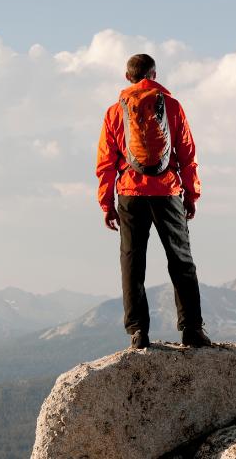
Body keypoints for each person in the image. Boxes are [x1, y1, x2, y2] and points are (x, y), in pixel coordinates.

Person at [95, 53, 211, 349]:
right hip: (168, 192)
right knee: (181, 261)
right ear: (154, 74)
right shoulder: (172, 106)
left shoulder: (113, 112)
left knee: (132, 262)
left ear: (127, 77)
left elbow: (106, 163)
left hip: (131, 195)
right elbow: (187, 153)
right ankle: (192, 330)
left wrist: (107, 203)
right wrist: (192, 194)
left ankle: (138, 332)